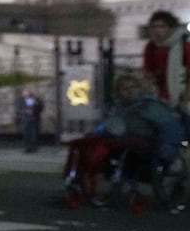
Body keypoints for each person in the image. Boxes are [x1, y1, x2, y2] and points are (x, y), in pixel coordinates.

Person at [64, 72, 184, 203]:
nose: (130, 91)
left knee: (109, 146)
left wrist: (168, 149)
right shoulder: (117, 107)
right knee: (80, 144)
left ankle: (95, 176)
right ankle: (75, 179)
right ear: (118, 92)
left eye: (133, 87)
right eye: (125, 89)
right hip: (118, 137)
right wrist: (95, 133)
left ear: (139, 88)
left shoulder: (149, 106)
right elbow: (107, 124)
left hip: (143, 139)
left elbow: (169, 127)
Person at [141, 10, 189, 114]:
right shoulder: (151, 46)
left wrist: (185, 99)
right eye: (154, 27)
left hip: (184, 97)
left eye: (162, 26)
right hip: (161, 98)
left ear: (171, 28)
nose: (157, 30)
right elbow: (148, 72)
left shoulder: (184, 44)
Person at [16, 87, 45, 153]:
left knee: (34, 134)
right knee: (26, 134)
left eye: (26, 92)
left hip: (34, 119)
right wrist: (24, 111)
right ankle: (28, 147)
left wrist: (33, 110)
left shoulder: (34, 99)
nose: (25, 93)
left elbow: (39, 107)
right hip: (26, 119)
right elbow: (19, 109)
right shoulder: (21, 100)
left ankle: (34, 147)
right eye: (24, 92)